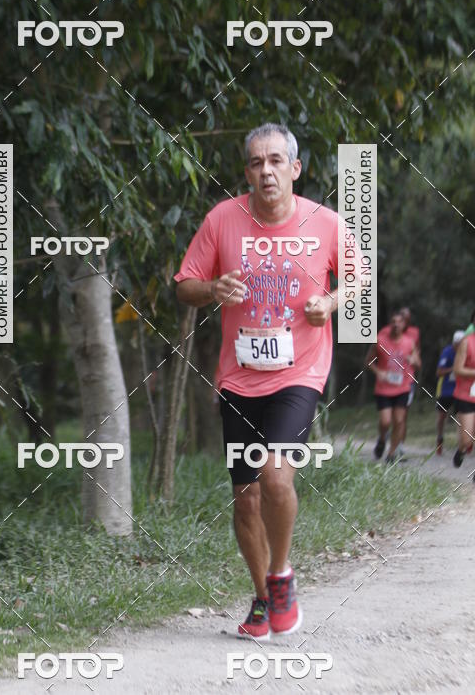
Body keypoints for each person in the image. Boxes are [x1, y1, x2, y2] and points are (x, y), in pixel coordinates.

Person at [174, 122, 346, 640]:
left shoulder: (326, 223)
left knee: (275, 478)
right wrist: (212, 288)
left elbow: (360, 279)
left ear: (295, 169)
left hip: (300, 371)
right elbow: (184, 286)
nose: (265, 171)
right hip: (239, 378)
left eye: (275, 161)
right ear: (246, 171)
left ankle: (282, 574)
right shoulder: (222, 220)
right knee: (246, 496)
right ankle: (261, 595)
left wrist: (330, 302)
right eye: (255, 162)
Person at [366, 312, 421, 463]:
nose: (396, 324)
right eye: (393, 322)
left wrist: (413, 360)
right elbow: (368, 361)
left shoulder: (409, 342)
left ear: (404, 325)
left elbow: (418, 363)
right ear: (390, 324)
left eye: (399, 322)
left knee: (399, 421)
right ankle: (382, 439)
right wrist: (379, 372)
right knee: (385, 421)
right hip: (383, 388)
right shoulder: (380, 340)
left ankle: (391, 454)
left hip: (402, 388)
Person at [435, 331, 464, 455]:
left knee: (461, 417)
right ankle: (440, 438)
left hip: (460, 389)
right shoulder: (447, 352)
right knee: (442, 416)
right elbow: (439, 372)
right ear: (454, 343)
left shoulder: (467, 352)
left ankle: (462, 444)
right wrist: (454, 369)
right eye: (458, 344)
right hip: (445, 389)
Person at [451, 320, 475, 470]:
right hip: (466, 395)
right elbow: (457, 370)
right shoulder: (466, 342)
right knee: (467, 441)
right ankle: (460, 451)